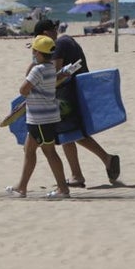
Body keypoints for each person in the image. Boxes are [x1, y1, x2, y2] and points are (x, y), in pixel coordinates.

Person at [34, 19, 121, 188]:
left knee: (72, 133)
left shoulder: (58, 44)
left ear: (44, 34)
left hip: (68, 95)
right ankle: (77, 175)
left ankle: (106, 159)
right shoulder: (67, 40)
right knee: (68, 134)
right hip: (77, 91)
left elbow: (54, 73)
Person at [6, 34, 71, 199]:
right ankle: (22, 187)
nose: (33, 52)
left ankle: (63, 189)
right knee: (29, 151)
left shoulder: (38, 69)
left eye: (34, 50)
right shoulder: (50, 68)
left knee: (50, 152)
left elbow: (23, 89)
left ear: (38, 52)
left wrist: (31, 67)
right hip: (41, 117)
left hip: (41, 119)